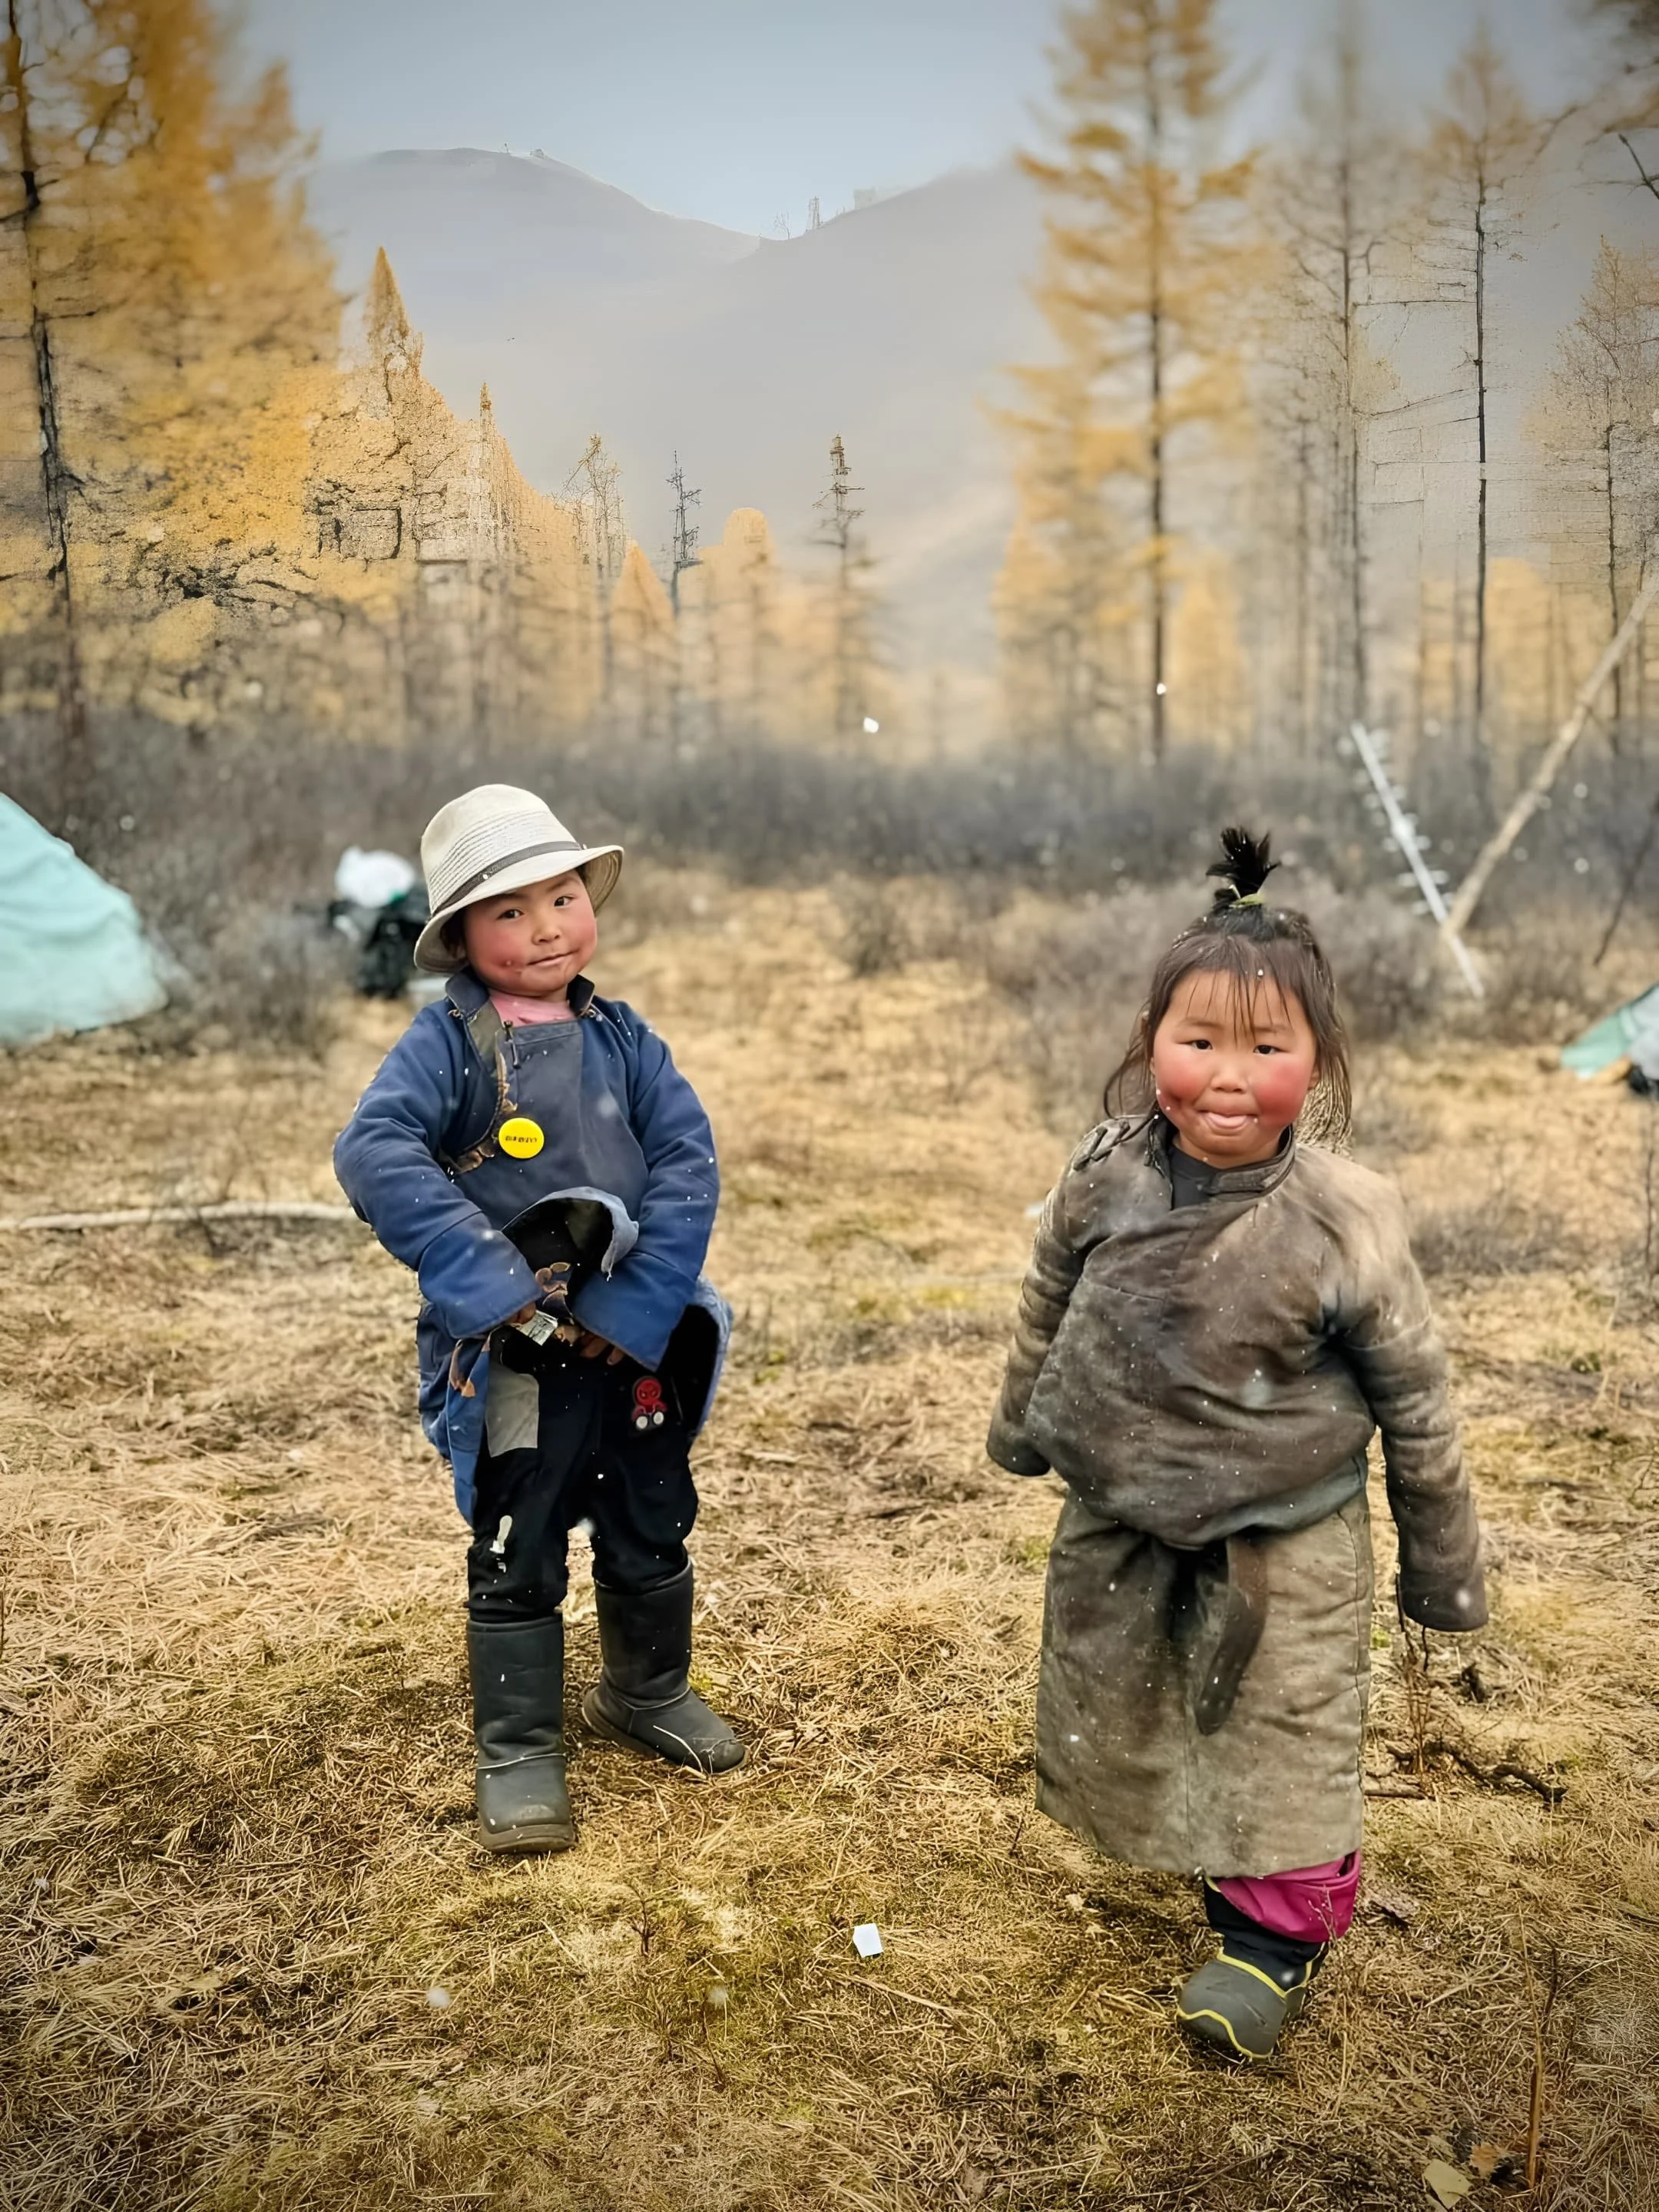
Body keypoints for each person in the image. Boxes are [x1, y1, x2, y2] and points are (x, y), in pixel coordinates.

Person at [986, 827, 1486, 2061]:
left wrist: (1443, 1567)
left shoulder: (1343, 1217)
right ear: (1150, 1043)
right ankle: (1190, 1858)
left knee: (1284, 1718)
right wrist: (1021, 1425)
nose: (1226, 1074)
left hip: (1287, 1529)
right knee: (1132, 1696)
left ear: (1315, 1066)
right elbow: (1049, 1292)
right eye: (1197, 1041)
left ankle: (1272, 1940)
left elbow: (1416, 1394)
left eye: (1267, 1049)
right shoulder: (1105, 1174)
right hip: (1125, 1507)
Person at [335, 784, 743, 1857]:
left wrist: (635, 1304)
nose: (545, 927)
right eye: (509, 912)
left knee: (651, 1508)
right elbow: (376, 1154)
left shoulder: (627, 1043)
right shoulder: (446, 1050)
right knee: (518, 1528)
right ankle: (517, 1747)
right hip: (517, 1347)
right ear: (462, 938)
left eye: (560, 897)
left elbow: (687, 1166)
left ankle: (643, 1691)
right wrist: (492, 1280)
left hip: (634, 1342)